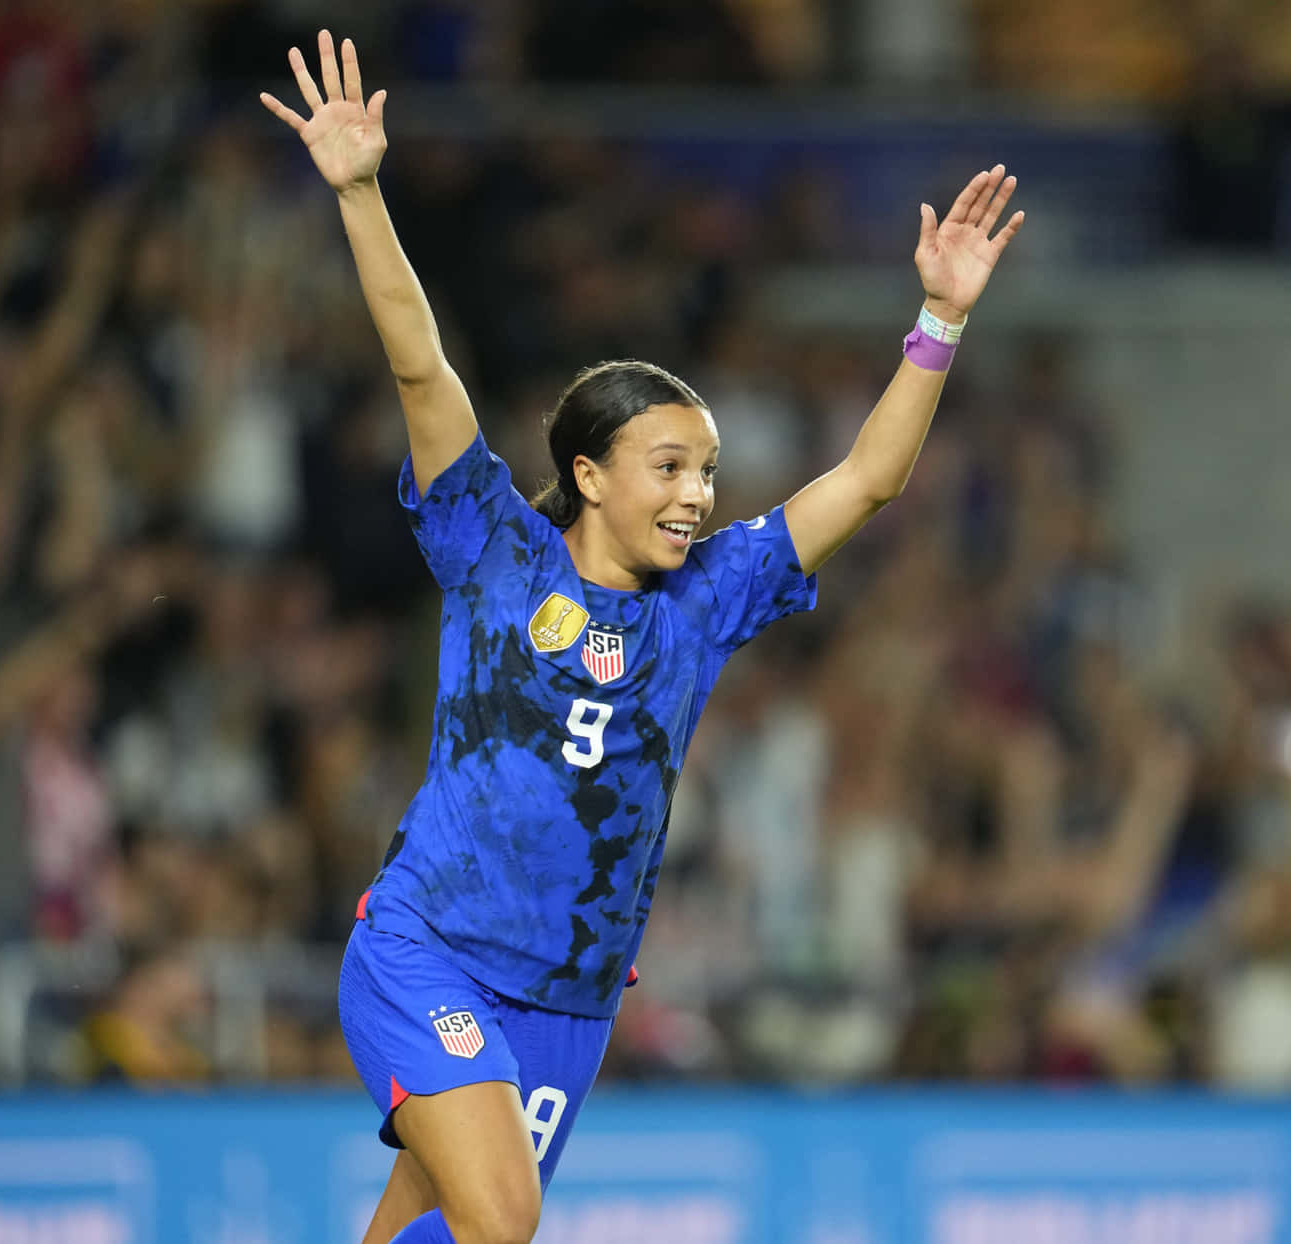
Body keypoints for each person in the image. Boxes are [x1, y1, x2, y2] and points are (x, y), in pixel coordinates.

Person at [262, 30, 1023, 1244]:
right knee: (503, 1219)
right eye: (669, 465)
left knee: (436, 1234)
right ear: (588, 470)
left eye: (709, 470)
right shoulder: (492, 548)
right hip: (431, 949)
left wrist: (937, 316)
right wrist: (359, 191)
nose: (696, 495)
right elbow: (420, 366)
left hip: (567, 998)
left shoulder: (712, 595)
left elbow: (871, 479)